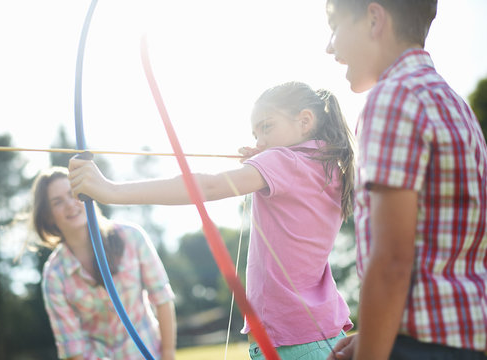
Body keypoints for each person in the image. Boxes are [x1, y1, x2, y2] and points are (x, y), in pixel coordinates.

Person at [68, 81, 355, 360]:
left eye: (267, 127)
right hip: (326, 335)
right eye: (256, 134)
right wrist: (267, 156)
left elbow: (210, 186)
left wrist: (110, 191)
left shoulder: (284, 161)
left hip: (295, 344)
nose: (259, 141)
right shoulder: (329, 168)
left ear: (305, 121)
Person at [325, 1, 487, 359]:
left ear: (373, 18)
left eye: (334, 26)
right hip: (465, 340)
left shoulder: (392, 97)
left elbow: (392, 260)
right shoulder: (456, 105)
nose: (330, 46)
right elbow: (436, 253)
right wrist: (376, 335)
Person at [31, 166, 176, 360]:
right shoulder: (54, 275)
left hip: (149, 352)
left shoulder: (131, 237)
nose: (69, 204)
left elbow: (162, 299)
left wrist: (168, 355)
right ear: (48, 216)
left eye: (73, 194)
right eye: (57, 202)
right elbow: (73, 348)